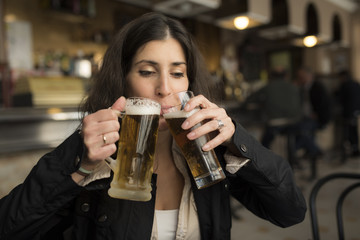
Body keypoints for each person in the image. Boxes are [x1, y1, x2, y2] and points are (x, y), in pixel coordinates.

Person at [0, 12, 306, 240]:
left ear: (189, 81)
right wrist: (77, 163)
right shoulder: (97, 157)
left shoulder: (206, 151)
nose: (164, 89)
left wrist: (237, 140)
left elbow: (290, 212)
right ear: (123, 79)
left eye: (177, 73)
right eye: (147, 72)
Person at [243, 67, 302, 149]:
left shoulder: (268, 87)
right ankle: (292, 156)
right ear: (286, 76)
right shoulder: (293, 87)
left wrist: (263, 102)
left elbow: (248, 100)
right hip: (293, 121)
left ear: (272, 76)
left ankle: (264, 157)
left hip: (274, 122)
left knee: (264, 143)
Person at [335, 70, 360, 157]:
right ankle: (355, 149)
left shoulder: (345, 85)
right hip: (355, 111)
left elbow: (340, 99)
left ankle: (350, 150)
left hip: (348, 113)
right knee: (353, 131)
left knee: (349, 132)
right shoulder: (355, 84)